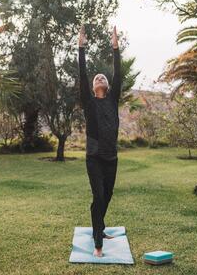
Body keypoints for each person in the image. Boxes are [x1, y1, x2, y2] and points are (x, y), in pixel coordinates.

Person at [78, 25, 121, 257]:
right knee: (99, 196)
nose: (100, 77)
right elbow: (83, 75)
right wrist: (81, 47)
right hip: (94, 157)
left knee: (108, 195)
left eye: (102, 76)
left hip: (111, 156)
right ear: (94, 87)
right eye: (97, 78)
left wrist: (115, 48)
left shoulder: (113, 99)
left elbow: (119, 74)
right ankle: (98, 244)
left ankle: (100, 226)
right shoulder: (89, 102)